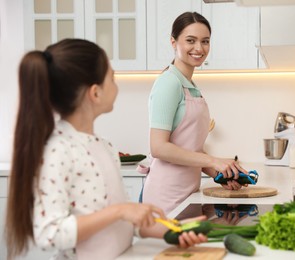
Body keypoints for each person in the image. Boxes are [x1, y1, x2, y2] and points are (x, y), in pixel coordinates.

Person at [5, 39, 207, 260]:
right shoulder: (58, 151)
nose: (115, 84)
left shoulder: (104, 147)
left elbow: (122, 224)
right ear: (95, 93)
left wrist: (173, 229)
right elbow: (49, 234)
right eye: (111, 78)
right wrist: (120, 211)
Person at [141, 12, 248, 215]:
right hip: (166, 196)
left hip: (187, 192)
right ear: (173, 42)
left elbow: (189, 148)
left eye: (205, 41)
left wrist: (219, 173)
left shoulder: (190, 86)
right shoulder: (168, 83)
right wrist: (212, 161)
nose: (199, 48)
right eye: (191, 40)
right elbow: (158, 147)